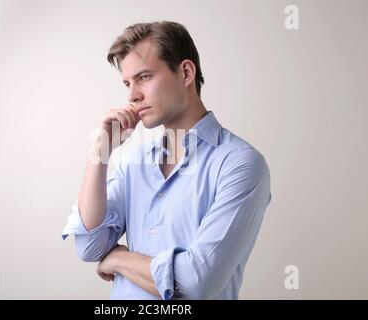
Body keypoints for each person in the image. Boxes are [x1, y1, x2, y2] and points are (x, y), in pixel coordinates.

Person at [61, 21, 272, 300]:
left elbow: (196, 282)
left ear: (185, 72)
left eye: (144, 77)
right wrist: (99, 154)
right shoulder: (132, 160)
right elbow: (89, 247)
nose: (132, 95)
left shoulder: (240, 165)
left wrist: (117, 259)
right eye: (127, 83)